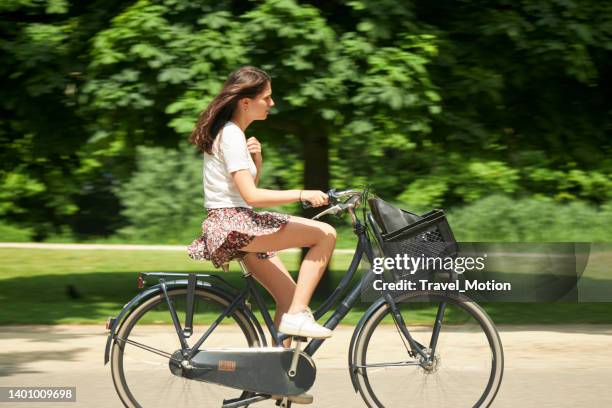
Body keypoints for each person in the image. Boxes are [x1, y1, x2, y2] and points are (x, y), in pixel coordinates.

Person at [187, 66, 336, 340]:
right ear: (246, 102)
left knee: (289, 295)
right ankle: (298, 315)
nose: (272, 103)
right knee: (326, 234)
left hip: (231, 223)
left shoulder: (232, 134)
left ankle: (279, 372)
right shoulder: (231, 135)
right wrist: (302, 194)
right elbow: (251, 197)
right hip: (235, 224)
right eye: (266, 98)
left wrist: (257, 162)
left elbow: (243, 189)